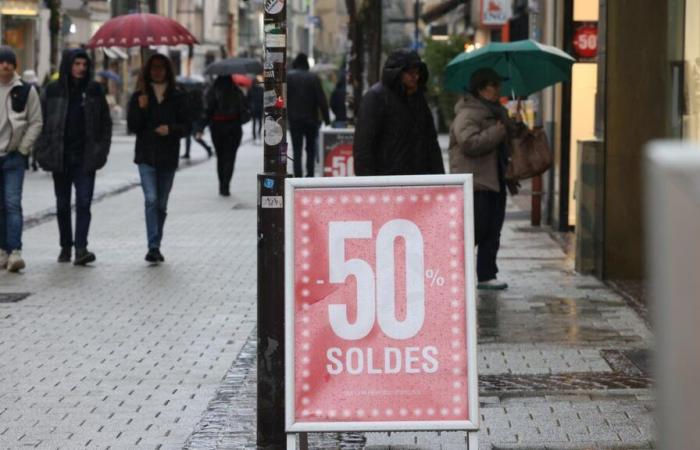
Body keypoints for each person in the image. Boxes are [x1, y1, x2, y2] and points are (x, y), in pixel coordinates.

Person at [34, 48, 112, 266]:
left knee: (84, 202)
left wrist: (101, 151)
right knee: (62, 204)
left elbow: (106, 123)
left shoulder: (94, 90)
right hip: (60, 156)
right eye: (77, 64)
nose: (81, 68)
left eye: (84, 65)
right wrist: (41, 149)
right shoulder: (53, 90)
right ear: (69, 65)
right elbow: (40, 121)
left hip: (86, 157)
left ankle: (81, 248)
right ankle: (65, 246)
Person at [449, 67, 515, 291]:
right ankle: (456, 272)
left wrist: (515, 123)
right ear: (481, 89)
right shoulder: (468, 114)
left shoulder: (498, 112)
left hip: (496, 179)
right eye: (493, 85)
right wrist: (497, 132)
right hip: (476, 181)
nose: (498, 90)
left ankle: (487, 274)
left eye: (498, 85)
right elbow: (469, 143)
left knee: (493, 229)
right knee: (476, 229)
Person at [127, 54, 188, 263]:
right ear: (148, 70)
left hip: (168, 157)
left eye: (161, 68)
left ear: (167, 70)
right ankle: (152, 245)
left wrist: (170, 129)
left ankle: (157, 244)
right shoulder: (140, 95)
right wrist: (141, 109)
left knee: (161, 204)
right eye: (153, 68)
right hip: (146, 155)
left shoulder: (177, 95)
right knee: (151, 199)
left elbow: (186, 125)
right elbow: (133, 126)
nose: (157, 71)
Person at [353, 49, 444, 176]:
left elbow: (430, 141)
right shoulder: (376, 98)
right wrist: (368, 185)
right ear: (397, 73)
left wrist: (439, 179)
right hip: (386, 182)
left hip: (418, 180)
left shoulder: (418, 98)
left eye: (417, 73)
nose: (416, 77)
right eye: (411, 73)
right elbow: (363, 148)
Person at [0, 47, 42, 272]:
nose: (5, 66)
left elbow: (36, 121)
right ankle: (2, 250)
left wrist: (24, 148)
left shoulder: (25, 91)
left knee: (12, 203)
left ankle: (15, 250)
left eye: (9, 62)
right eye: (1, 62)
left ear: (14, 65)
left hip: (14, 156)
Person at [198, 75, 247, 196]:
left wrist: (201, 127)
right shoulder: (236, 90)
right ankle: (226, 185)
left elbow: (207, 110)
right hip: (234, 127)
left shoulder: (212, 91)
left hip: (217, 127)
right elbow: (244, 110)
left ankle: (221, 185)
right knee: (230, 157)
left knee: (220, 157)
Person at [287, 53, 330, 177]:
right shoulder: (313, 78)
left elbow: (283, 99)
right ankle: (310, 174)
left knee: (297, 149)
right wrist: (327, 120)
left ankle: (298, 175)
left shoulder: (289, 77)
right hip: (311, 120)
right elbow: (322, 100)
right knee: (310, 149)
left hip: (294, 120)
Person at [180, 80, 212, 159]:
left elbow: (196, 108)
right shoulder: (190, 95)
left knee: (195, 136)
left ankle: (208, 148)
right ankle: (187, 153)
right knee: (188, 136)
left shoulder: (196, 95)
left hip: (195, 120)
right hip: (190, 119)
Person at [21, 69, 41, 172]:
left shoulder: (22, 88)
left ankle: (27, 161)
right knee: (33, 140)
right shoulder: (36, 87)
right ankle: (33, 161)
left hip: (27, 117)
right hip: (32, 116)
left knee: (27, 138)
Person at [247, 76, 263, 143]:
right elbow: (263, 99)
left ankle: (254, 135)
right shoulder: (261, 89)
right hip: (259, 108)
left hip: (253, 108)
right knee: (259, 122)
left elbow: (247, 99)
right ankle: (258, 133)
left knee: (254, 122)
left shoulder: (250, 89)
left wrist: (249, 107)